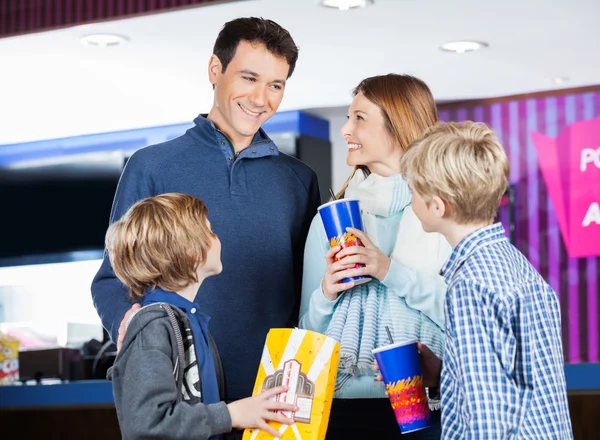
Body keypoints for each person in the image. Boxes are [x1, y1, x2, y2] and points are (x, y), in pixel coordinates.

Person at [91, 17, 321, 423]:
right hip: (185, 406)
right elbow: (112, 280)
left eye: (276, 85)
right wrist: (131, 326)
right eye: (249, 78)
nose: (260, 98)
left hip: (276, 404)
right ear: (216, 70)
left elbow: (308, 297)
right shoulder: (152, 166)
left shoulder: (299, 180)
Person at [299, 74, 451, 439]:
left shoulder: (444, 213)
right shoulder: (331, 219)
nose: (345, 129)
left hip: (429, 406)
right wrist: (326, 293)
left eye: (359, 118)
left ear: (399, 125)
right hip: (340, 410)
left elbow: (466, 312)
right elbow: (306, 332)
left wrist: (388, 270)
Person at [400, 121, 573, 438]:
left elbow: (489, 417)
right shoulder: (513, 263)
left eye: (412, 192)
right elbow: (516, 380)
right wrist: (444, 373)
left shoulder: (470, 284)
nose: (410, 202)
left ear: (437, 206)